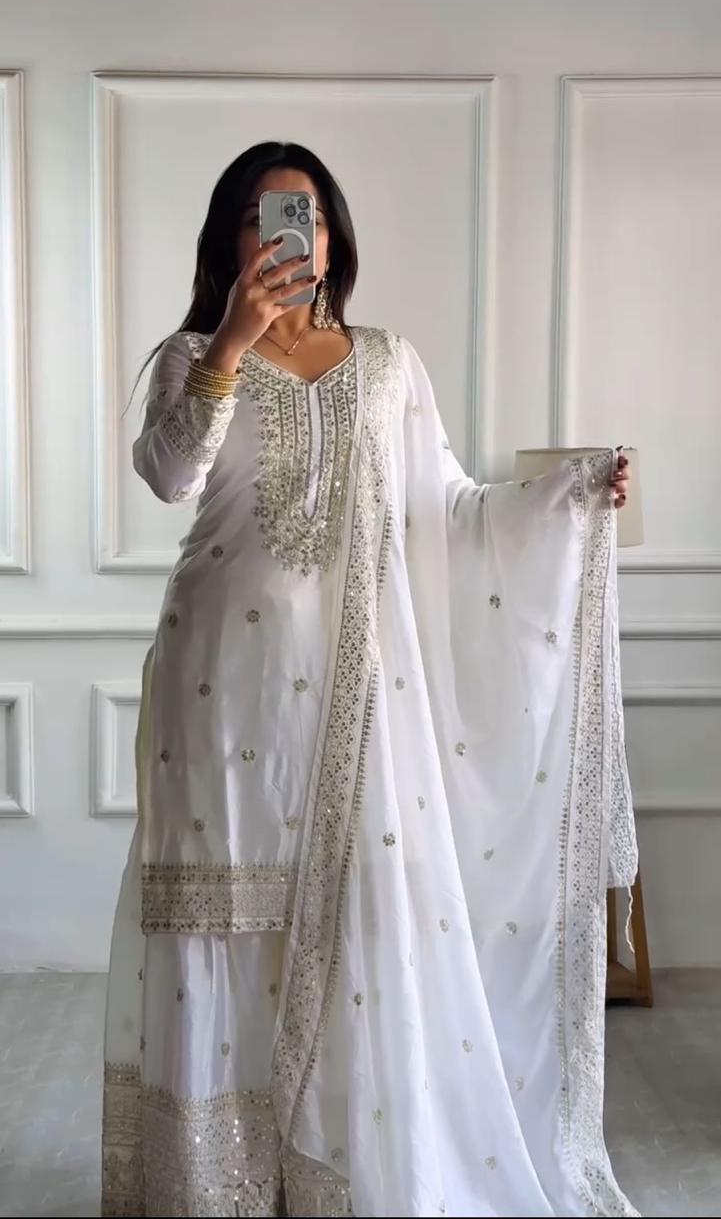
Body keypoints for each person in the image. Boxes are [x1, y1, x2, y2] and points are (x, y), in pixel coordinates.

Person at [101, 140, 637, 1219]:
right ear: (231, 238)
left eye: (306, 214)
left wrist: (570, 497)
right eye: (265, 216)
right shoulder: (192, 353)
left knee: (363, 921)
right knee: (220, 918)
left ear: (334, 235)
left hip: (358, 700)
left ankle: (342, 1170)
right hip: (217, 682)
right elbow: (168, 474)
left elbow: (448, 512)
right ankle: (214, 1185)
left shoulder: (388, 362)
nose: (289, 234)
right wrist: (232, 341)